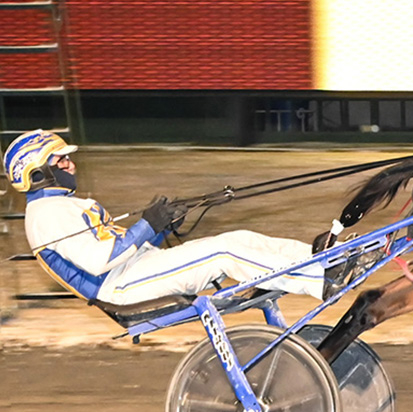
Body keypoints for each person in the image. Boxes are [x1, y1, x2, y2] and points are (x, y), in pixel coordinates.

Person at [3, 129, 334, 306]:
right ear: (37, 173)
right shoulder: (46, 214)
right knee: (224, 253)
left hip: (134, 271)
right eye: (61, 162)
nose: (71, 166)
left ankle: (322, 258)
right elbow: (99, 259)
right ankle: (318, 281)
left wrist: (159, 228)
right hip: (121, 287)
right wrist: (147, 224)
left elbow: (120, 247)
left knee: (237, 239)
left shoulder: (58, 206)